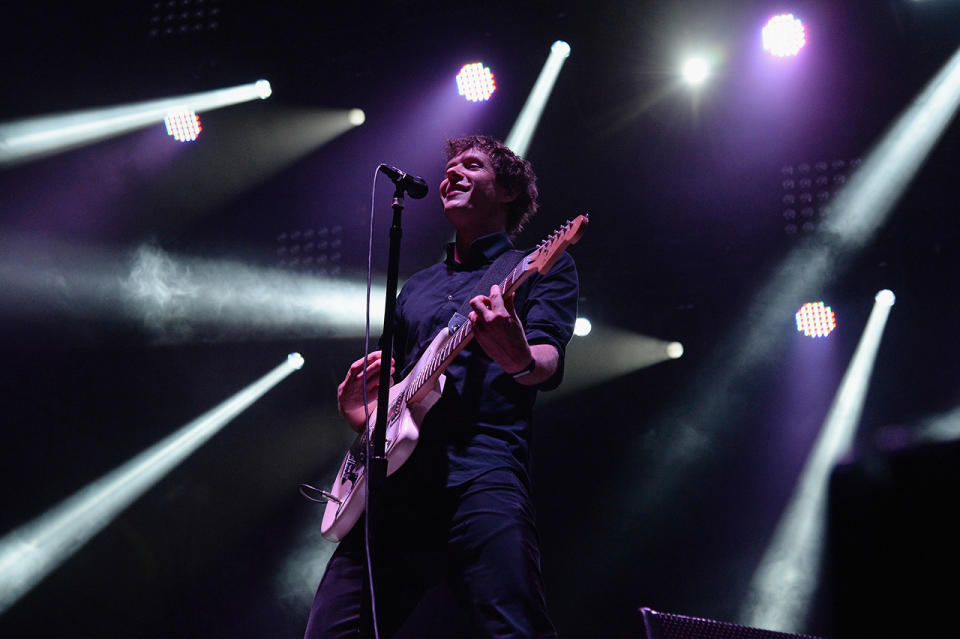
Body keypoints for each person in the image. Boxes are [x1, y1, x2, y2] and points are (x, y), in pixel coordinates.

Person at [304, 135, 578, 638]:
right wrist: (361, 416)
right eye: (449, 168)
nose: (452, 174)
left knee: (514, 628)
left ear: (508, 191)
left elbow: (546, 363)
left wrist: (515, 353)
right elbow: (399, 397)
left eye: (471, 166)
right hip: (398, 485)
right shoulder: (417, 289)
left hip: (482, 473)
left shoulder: (542, 266)